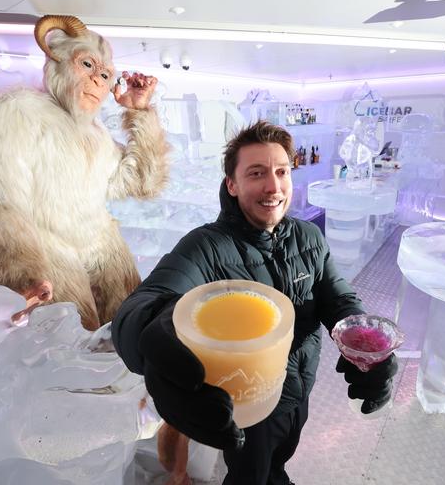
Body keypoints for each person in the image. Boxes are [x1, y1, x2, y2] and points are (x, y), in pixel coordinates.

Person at [112, 121, 398, 484]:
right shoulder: (208, 247)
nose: (274, 186)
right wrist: (153, 328)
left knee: (279, 461)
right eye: (257, 173)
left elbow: (337, 296)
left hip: (299, 389)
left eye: (282, 172)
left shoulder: (309, 237)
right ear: (232, 184)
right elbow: (144, 303)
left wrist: (364, 342)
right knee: (249, 474)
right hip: (250, 403)